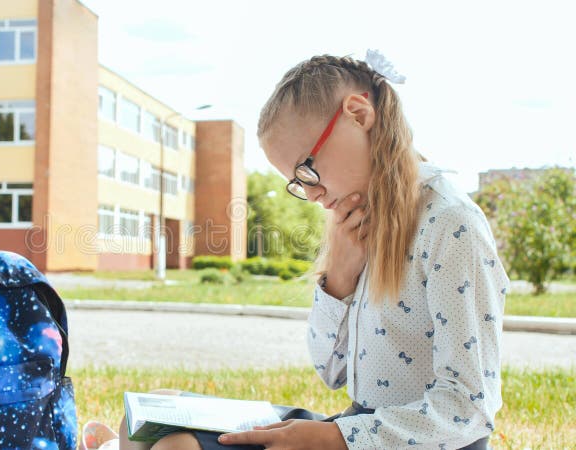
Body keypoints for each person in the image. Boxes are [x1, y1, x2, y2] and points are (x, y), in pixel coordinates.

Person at [109, 52, 509, 450]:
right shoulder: (358, 226)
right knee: (148, 418)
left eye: (307, 170)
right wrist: (338, 277)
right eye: (297, 183)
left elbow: (469, 409)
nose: (312, 194)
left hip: (404, 441)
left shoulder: (449, 223)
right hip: (358, 427)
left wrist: (336, 436)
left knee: (174, 448)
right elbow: (330, 372)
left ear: (358, 114)